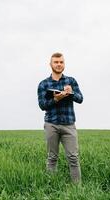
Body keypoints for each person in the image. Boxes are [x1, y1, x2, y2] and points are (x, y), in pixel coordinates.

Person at [37, 52, 83, 183]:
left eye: (61, 62)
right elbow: (42, 105)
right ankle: (51, 186)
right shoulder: (43, 84)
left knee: (73, 158)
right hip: (51, 124)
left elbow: (80, 99)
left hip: (69, 124)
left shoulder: (71, 81)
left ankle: (77, 189)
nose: (59, 64)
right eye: (56, 62)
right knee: (52, 157)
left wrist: (71, 93)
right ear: (50, 64)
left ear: (64, 64)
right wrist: (56, 99)